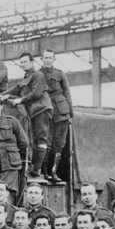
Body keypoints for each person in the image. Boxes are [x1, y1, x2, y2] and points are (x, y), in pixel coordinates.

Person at [1, 52, 54, 178]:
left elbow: (36, 93)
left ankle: (37, 169)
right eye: (21, 62)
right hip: (34, 110)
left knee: (41, 139)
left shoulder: (38, 75)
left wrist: (20, 99)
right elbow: (15, 89)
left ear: (32, 62)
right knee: (35, 139)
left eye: (25, 61)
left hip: (41, 108)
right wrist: (2, 95)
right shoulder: (26, 78)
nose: (23, 64)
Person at [41, 49, 73, 183]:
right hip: (46, 110)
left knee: (58, 144)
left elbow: (67, 93)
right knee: (46, 144)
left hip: (61, 111)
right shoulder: (37, 74)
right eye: (45, 58)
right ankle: (45, 172)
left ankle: (53, 172)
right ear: (42, 59)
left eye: (50, 58)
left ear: (54, 59)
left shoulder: (60, 74)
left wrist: (70, 113)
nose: (47, 60)